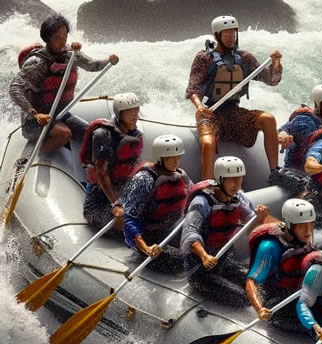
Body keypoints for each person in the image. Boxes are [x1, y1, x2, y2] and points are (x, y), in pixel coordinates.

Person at [186, 15, 283, 180]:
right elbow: (192, 89)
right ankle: (206, 186)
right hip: (210, 111)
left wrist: (276, 64)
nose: (231, 38)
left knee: (268, 119)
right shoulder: (204, 58)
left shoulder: (244, 58)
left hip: (233, 111)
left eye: (234, 34)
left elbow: (271, 80)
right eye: (227, 34)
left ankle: (275, 173)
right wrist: (199, 107)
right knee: (208, 143)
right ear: (217, 35)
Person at [9, 14, 118, 156]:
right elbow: (15, 88)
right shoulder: (37, 63)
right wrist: (34, 113)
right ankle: (33, 157)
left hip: (60, 114)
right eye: (57, 38)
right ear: (47, 39)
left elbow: (92, 65)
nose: (62, 42)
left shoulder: (70, 55)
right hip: (35, 120)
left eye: (65, 37)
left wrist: (108, 61)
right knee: (63, 134)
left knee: (97, 135)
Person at [181, 156, 269, 303]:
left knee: (257, 284)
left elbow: (251, 228)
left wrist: (259, 217)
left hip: (223, 261)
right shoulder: (202, 202)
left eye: (239, 179)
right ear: (220, 179)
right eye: (231, 180)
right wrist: (204, 256)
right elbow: (190, 232)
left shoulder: (238, 199)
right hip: (200, 269)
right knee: (241, 298)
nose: (236, 184)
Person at [120, 135, 193, 272]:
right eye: (171, 157)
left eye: (178, 157)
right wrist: (145, 247)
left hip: (172, 230)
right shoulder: (144, 179)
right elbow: (130, 219)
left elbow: (193, 197)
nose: (176, 161)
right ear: (160, 157)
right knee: (183, 261)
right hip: (150, 238)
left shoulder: (181, 175)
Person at [246, 199, 317, 331]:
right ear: (290, 225)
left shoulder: (305, 241)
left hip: (298, 295)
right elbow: (252, 281)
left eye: (311, 225)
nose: (308, 231)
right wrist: (259, 309)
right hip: (276, 300)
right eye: (302, 226)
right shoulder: (269, 246)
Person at [81, 93, 142, 231]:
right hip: (99, 201)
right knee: (127, 226)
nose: (134, 114)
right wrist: (115, 204)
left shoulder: (135, 133)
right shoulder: (103, 135)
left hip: (122, 192)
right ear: (120, 113)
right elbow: (101, 173)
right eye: (129, 111)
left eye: (136, 109)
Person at [269, 84, 322, 196]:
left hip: (316, 175)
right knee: (309, 188)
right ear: (319, 104)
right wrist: (283, 137)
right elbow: (282, 132)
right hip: (293, 174)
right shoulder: (305, 120)